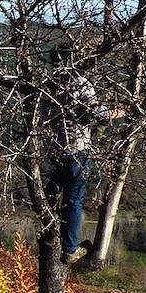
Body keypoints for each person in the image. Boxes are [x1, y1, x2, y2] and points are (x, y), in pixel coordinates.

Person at [43, 46, 125, 264]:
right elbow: (98, 113)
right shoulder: (79, 83)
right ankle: (70, 248)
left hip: (55, 149)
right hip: (77, 151)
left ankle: (51, 233)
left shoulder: (48, 85)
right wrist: (120, 112)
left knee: (53, 192)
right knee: (74, 201)